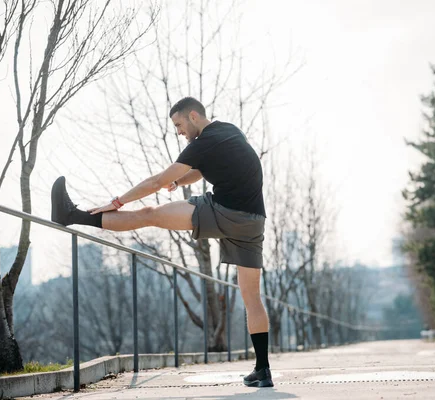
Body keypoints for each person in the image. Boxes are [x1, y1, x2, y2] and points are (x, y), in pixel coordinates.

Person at [51, 97, 273, 388]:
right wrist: (181, 182)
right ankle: (263, 370)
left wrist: (117, 201)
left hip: (224, 212)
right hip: (254, 218)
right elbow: (206, 169)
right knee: (252, 297)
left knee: (148, 214)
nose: (179, 132)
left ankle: (72, 215)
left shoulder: (204, 142)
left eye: (179, 125)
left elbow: (156, 182)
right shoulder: (228, 132)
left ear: (194, 116)